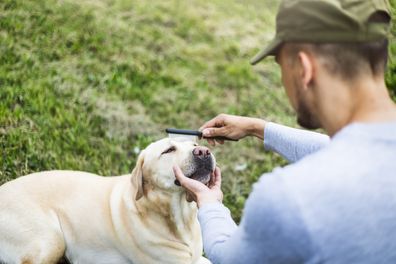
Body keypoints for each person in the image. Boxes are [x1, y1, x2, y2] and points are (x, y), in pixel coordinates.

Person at [173, 0, 396, 263]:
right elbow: (355, 154)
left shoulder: (291, 199)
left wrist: (210, 204)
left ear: (303, 68)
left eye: (281, 65)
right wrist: (257, 128)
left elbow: (229, 257)